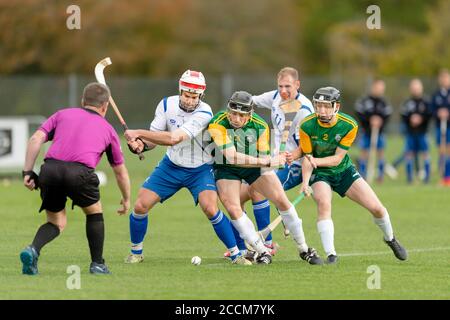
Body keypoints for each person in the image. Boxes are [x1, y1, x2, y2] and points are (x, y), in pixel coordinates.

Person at [123, 70, 254, 266]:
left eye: (194, 97)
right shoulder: (166, 104)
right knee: (140, 205)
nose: (190, 100)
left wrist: (138, 133)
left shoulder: (204, 112)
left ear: (201, 95)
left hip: (200, 168)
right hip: (171, 165)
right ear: (180, 90)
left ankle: (236, 254)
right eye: (186, 95)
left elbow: (175, 138)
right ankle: (136, 252)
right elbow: (154, 139)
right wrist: (141, 145)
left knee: (210, 208)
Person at [20, 83, 131, 275]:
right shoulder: (109, 129)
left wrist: (28, 172)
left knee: (56, 222)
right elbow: (120, 171)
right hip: (80, 173)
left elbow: (35, 139)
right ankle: (97, 264)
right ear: (105, 106)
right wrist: (127, 198)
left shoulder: (62, 114)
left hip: (50, 169)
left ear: (82, 101)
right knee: (94, 213)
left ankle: (33, 249)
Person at [208, 90, 323, 265]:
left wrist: (271, 161)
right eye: (233, 113)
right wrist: (270, 161)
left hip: (254, 167)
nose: (236, 119)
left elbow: (262, 160)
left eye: (241, 115)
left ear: (250, 114)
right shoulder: (217, 123)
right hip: (226, 168)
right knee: (232, 207)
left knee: (283, 201)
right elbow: (231, 156)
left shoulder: (260, 126)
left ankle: (304, 248)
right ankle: (261, 251)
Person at [298, 86, 407, 264]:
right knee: (324, 204)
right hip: (320, 174)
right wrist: (304, 183)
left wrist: (315, 161)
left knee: (377, 208)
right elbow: (307, 158)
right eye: (318, 105)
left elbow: (337, 158)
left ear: (336, 107)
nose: (322, 110)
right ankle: (331, 254)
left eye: (326, 106)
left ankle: (390, 238)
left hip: (343, 170)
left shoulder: (349, 125)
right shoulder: (307, 125)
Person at [223, 67, 314, 259]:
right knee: (236, 199)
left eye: (288, 86)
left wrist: (290, 156)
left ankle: (268, 243)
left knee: (258, 190)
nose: (283, 90)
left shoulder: (304, 110)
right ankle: (245, 246)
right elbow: (251, 101)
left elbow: (307, 148)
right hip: (272, 160)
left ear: (297, 85)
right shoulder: (275, 97)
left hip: (294, 164)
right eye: (280, 86)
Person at [355, 79, 393, 182]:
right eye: (378, 87)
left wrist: (380, 121)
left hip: (379, 132)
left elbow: (388, 114)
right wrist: (369, 120)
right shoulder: (364, 100)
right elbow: (359, 112)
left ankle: (380, 177)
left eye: (382, 88)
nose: (380, 90)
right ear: (373, 87)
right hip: (366, 132)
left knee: (381, 153)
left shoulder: (384, 102)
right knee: (363, 153)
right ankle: (362, 176)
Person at [400, 78, 432, 184]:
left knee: (425, 154)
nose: (415, 89)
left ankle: (427, 178)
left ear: (421, 88)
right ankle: (410, 179)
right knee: (409, 154)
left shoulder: (426, 102)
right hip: (410, 133)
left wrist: (420, 118)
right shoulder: (407, 102)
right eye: (413, 87)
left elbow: (429, 114)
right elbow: (403, 115)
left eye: (417, 87)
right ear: (410, 89)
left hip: (423, 133)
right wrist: (411, 119)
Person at [430, 69, 450, 186]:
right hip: (440, 127)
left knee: (449, 151)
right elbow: (431, 110)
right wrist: (438, 113)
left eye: (446, 78)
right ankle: (443, 176)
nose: (444, 80)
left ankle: (448, 177)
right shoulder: (436, 95)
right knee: (441, 151)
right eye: (442, 78)